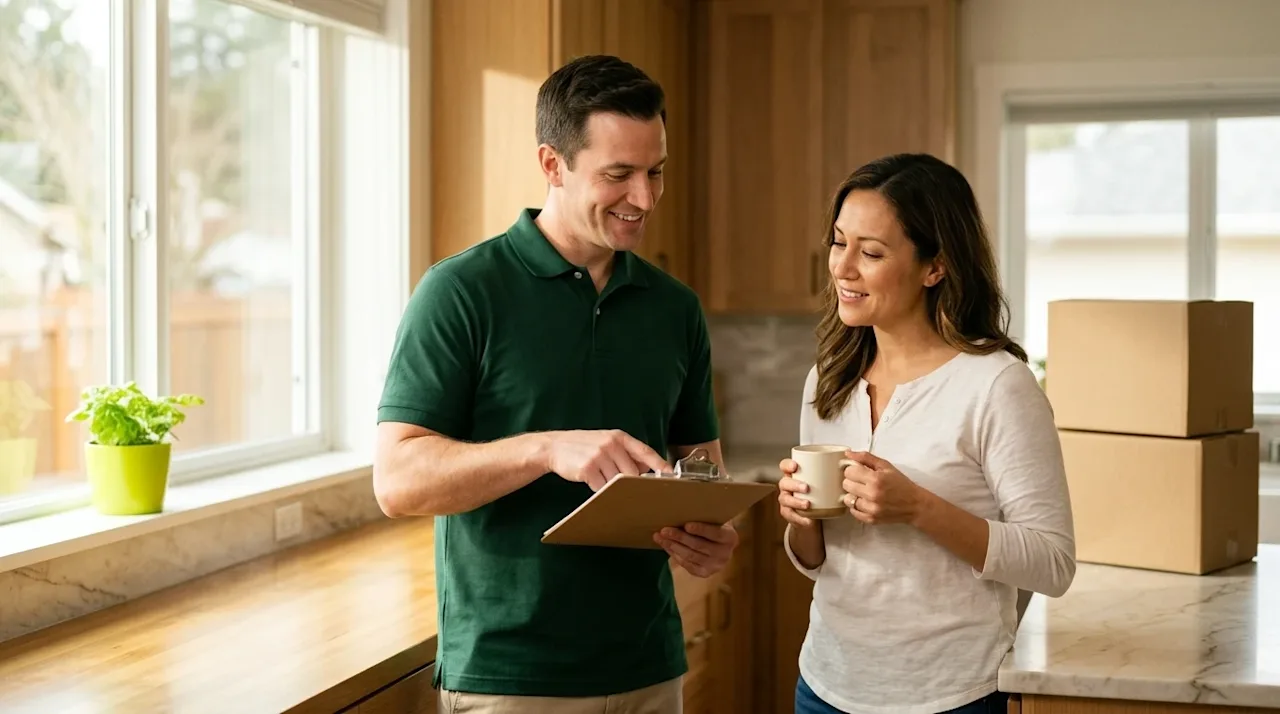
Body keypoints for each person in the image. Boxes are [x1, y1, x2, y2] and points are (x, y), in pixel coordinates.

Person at [373, 54, 738, 714]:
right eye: (618, 175)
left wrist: (707, 526)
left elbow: (700, 464)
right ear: (552, 165)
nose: (646, 198)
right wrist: (547, 449)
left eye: (656, 172)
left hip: (650, 666)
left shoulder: (674, 308)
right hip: (513, 679)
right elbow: (397, 481)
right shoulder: (461, 292)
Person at [776, 153, 1076, 714]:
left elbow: (1052, 562)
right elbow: (818, 561)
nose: (843, 268)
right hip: (824, 685)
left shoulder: (997, 386)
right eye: (839, 243)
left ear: (934, 266)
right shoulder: (830, 379)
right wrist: (800, 521)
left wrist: (916, 507)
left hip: (949, 695)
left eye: (871, 252)